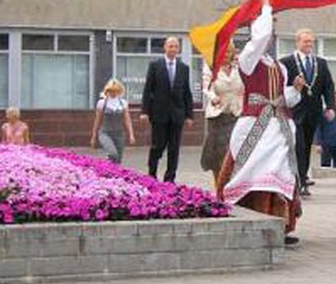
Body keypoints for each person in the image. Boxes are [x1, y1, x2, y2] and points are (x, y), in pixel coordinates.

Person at [216, 0, 304, 245]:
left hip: (278, 129)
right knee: (253, 174)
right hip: (255, 127)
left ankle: (279, 225)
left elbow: (281, 98)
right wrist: (265, 5)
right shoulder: (247, 59)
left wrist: (294, 91)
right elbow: (260, 37)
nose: (271, 33)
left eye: (273, 27)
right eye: (268, 25)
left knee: (279, 176)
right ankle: (248, 222)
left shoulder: (277, 65)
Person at [280, 28, 336, 195]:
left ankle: (302, 179)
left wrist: (331, 106)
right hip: (294, 111)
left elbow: (328, 86)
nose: (309, 44)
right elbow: (281, 86)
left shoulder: (321, 63)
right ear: (297, 42)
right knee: (298, 145)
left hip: (313, 111)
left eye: (311, 41)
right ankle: (296, 180)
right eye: (305, 41)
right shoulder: (287, 62)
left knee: (306, 146)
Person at [140, 36, 194, 183]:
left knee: (174, 149)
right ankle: (151, 174)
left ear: (178, 49)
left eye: (175, 46)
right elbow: (148, 90)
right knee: (158, 146)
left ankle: (170, 178)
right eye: (170, 46)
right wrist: (144, 111)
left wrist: (189, 115)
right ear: (165, 47)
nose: (173, 49)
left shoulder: (184, 68)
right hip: (159, 114)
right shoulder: (155, 65)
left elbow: (186, 93)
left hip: (177, 115)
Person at [200, 42, 243, 188]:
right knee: (217, 156)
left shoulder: (239, 67)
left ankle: (231, 186)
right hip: (217, 117)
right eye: (223, 52)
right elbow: (206, 87)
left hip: (236, 114)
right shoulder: (211, 67)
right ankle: (219, 186)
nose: (226, 56)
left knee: (233, 153)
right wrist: (213, 97)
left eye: (228, 53)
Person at [90, 79, 135, 164]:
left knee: (118, 159)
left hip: (119, 133)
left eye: (115, 91)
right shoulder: (102, 103)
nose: (113, 93)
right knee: (113, 153)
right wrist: (94, 136)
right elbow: (97, 121)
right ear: (107, 91)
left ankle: (113, 174)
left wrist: (131, 135)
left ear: (119, 91)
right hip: (105, 132)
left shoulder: (123, 103)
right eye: (111, 91)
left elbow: (127, 120)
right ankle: (105, 163)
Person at [316, 91, 336, 169]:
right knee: (325, 169)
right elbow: (318, 129)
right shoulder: (324, 113)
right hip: (326, 145)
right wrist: (318, 144)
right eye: (335, 98)